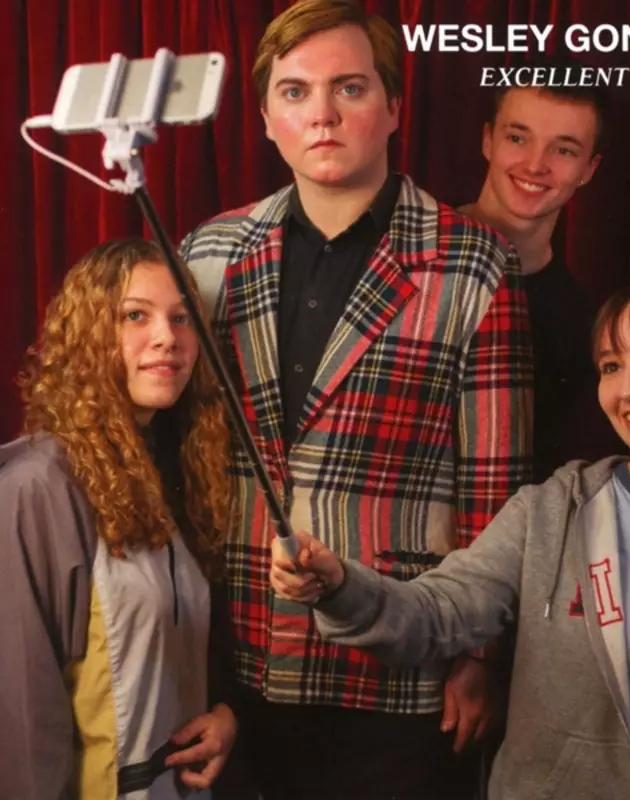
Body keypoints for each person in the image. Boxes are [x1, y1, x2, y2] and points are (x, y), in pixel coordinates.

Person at [180, 1, 533, 798]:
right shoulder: (207, 253)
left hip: (396, 672)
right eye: (296, 92)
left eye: (350, 88)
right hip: (233, 661)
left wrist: (481, 657)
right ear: (266, 119)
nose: (324, 115)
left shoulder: (473, 264)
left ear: (394, 106)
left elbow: (496, 493)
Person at [272, 277, 630, 799]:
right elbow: (436, 613)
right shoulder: (551, 514)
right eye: (611, 366)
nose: (629, 388)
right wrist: (340, 587)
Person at [0, 239, 239, 799]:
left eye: (181, 318)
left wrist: (225, 714)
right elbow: (23, 720)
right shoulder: (36, 489)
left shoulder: (180, 474)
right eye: (135, 315)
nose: (167, 337)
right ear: (88, 334)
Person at [459, 55, 619, 481]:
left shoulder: (580, 324)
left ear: (589, 169)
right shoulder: (402, 248)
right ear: (488, 140)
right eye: (518, 138)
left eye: (563, 150)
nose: (535, 165)